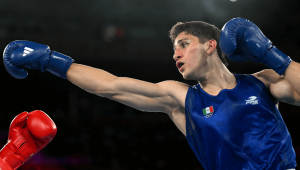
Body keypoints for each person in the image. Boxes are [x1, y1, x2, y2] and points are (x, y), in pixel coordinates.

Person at [2, 17, 299, 169]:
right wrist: (50, 60)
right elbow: (111, 86)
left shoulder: (264, 81)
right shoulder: (181, 98)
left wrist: (273, 55)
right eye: (174, 49)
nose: (176, 54)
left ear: (211, 45)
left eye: (184, 44)